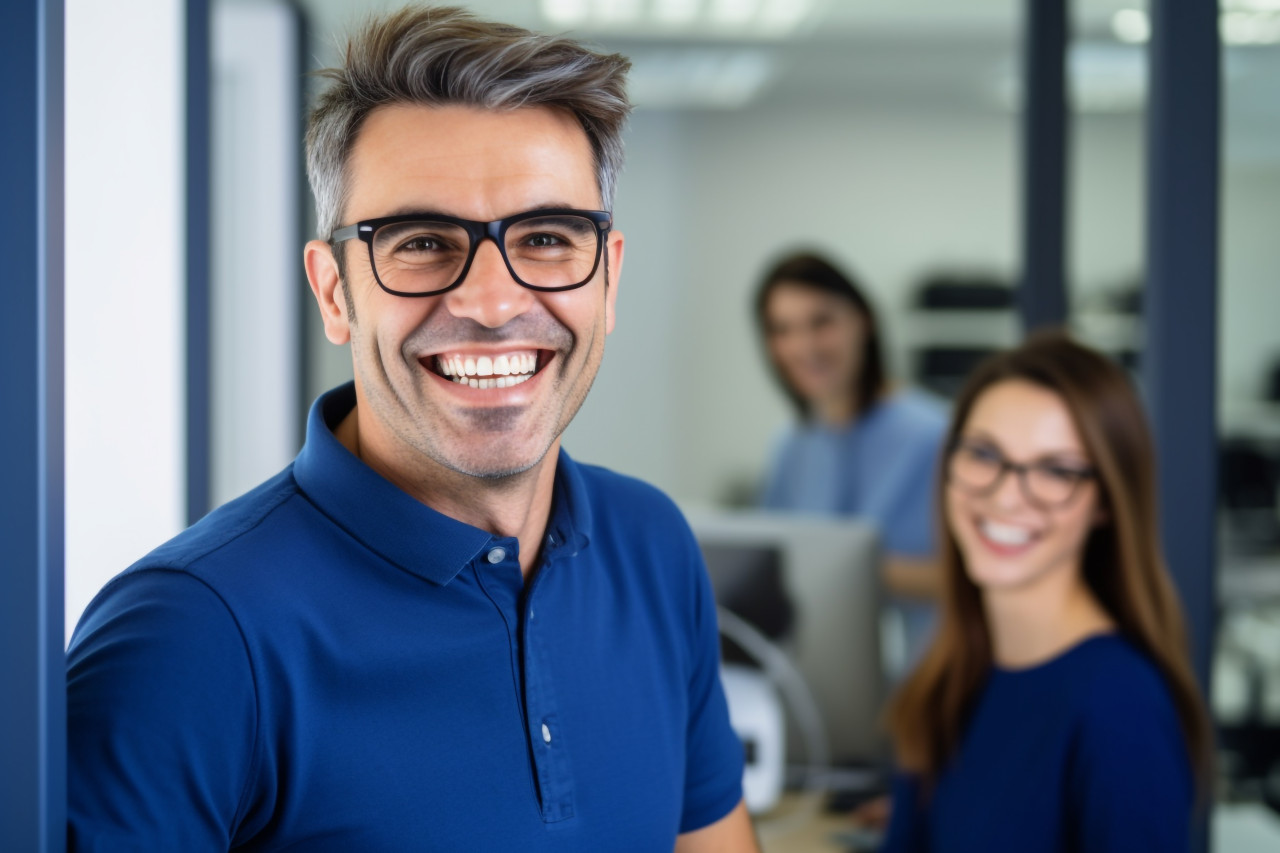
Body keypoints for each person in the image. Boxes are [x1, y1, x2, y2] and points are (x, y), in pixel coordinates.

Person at [66, 7, 757, 851]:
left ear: (607, 281)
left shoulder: (652, 545)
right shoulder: (187, 636)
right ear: (334, 292)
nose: (493, 302)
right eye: (422, 241)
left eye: (546, 237)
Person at [879, 331, 1213, 852]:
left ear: (1105, 502)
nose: (1007, 495)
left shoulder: (1120, 709)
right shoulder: (946, 676)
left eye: (1056, 470)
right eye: (984, 454)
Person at [754, 251, 948, 661]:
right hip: (824, 677)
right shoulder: (792, 445)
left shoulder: (936, 435)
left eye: (821, 322)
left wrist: (851, 570)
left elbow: (974, 580)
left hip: (923, 679)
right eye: (782, 330)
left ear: (864, 320)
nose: (803, 346)